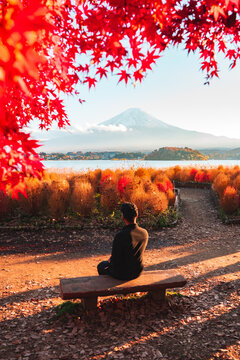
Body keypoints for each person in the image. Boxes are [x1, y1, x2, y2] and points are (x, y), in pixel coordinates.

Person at [97, 202, 149, 280]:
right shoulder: (144, 233)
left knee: (101, 266)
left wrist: (110, 261)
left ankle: (108, 288)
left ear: (123, 218)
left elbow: (115, 260)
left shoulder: (120, 236)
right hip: (137, 271)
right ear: (136, 216)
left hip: (122, 274)